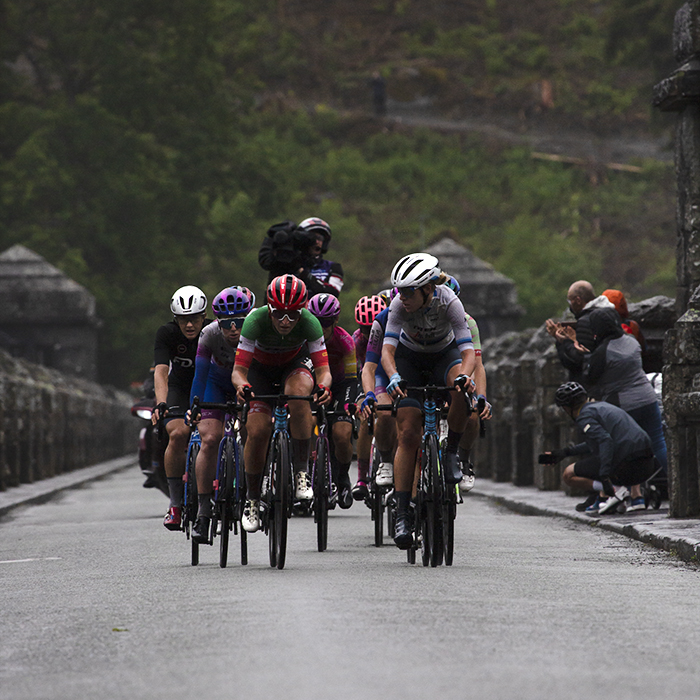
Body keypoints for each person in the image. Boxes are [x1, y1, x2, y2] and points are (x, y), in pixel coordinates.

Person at [381, 253, 476, 549]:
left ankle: (452, 452)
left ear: (427, 289)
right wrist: (394, 376)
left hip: (443, 357)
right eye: (399, 291)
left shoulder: (449, 301)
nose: (402, 297)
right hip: (409, 361)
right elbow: (387, 352)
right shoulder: (398, 305)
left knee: (460, 389)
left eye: (409, 291)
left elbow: (468, 352)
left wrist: (466, 377)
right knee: (408, 433)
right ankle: (403, 512)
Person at [231, 274, 333, 533]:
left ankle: (300, 472)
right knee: (256, 431)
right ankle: (252, 498)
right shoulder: (254, 321)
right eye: (278, 314)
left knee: (299, 395)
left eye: (293, 314)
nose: (286, 321)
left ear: (302, 311)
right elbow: (239, 370)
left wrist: (324, 387)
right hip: (260, 372)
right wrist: (242, 385)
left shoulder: (310, 323)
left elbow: (324, 370)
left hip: (293, 366)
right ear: (269, 309)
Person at [188, 287, 254, 544]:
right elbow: (200, 374)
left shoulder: (254, 334)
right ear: (218, 322)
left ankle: (251, 492)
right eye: (227, 324)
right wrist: (194, 407)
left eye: (239, 322)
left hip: (247, 381)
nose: (234, 329)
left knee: (253, 432)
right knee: (210, 438)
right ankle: (204, 511)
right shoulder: (208, 334)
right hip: (216, 384)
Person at [541, 382, 657, 515]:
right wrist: (564, 453)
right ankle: (618, 495)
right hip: (647, 466)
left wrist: (605, 476)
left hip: (627, 468)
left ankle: (614, 490)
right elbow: (596, 444)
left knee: (568, 474)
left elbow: (605, 441)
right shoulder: (602, 407)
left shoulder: (584, 416)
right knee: (601, 455)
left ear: (567, 408)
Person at [583, 309, 667, 481]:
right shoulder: (631, 341)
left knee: (624, 449)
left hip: (623, 404)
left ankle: (626, 493)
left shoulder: (603, 352)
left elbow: (591, 377)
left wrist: (585, 355)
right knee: (658, 442)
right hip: (647, 397)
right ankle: (675, 482)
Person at [152, 285, 208, 531]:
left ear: (204, 317)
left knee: (213, 435)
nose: (189, 326)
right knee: (177, 434)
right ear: (176, 319)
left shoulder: (213, 332)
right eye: (184, 320)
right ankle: (175, 504)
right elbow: (162, 372)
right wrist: (161, 404)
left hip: (208, 390)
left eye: (194, 319)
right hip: (179, 390)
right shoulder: (166, 333)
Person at [307, 293, 359, 509]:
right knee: (305, 424)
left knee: (341, 433)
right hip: (311, 384)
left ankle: (343, 477)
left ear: (335, 321)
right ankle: (306, 473)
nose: (321, 327)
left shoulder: (345, 341)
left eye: (326, 323)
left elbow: (352, 378)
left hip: (339, 387)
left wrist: (348, 404)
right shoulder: (303, 337)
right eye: (316, 322)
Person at [545, 280, 617, 385]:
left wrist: (563, 341)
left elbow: (578, 361)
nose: (570, 306)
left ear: (578, 300)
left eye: (570, 301)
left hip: (593, 385)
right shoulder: (610, 314)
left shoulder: (586, 321)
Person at [352, 295, 389, 498]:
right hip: (366, 377)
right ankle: (362, 478)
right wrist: (361, 398)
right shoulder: (357, 340)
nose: (368, 332)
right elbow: (357, 373)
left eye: (372, 328)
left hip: (387, 376)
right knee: (365, 416)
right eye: (364, 328)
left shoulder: (393, 332)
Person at [258, 217, 344, 296]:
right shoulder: (288, 262)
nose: (316, 241)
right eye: (311, 237)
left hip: (316, 311)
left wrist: (302, 272)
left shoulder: (332, 267)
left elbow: (332, 293)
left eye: (320, 238)